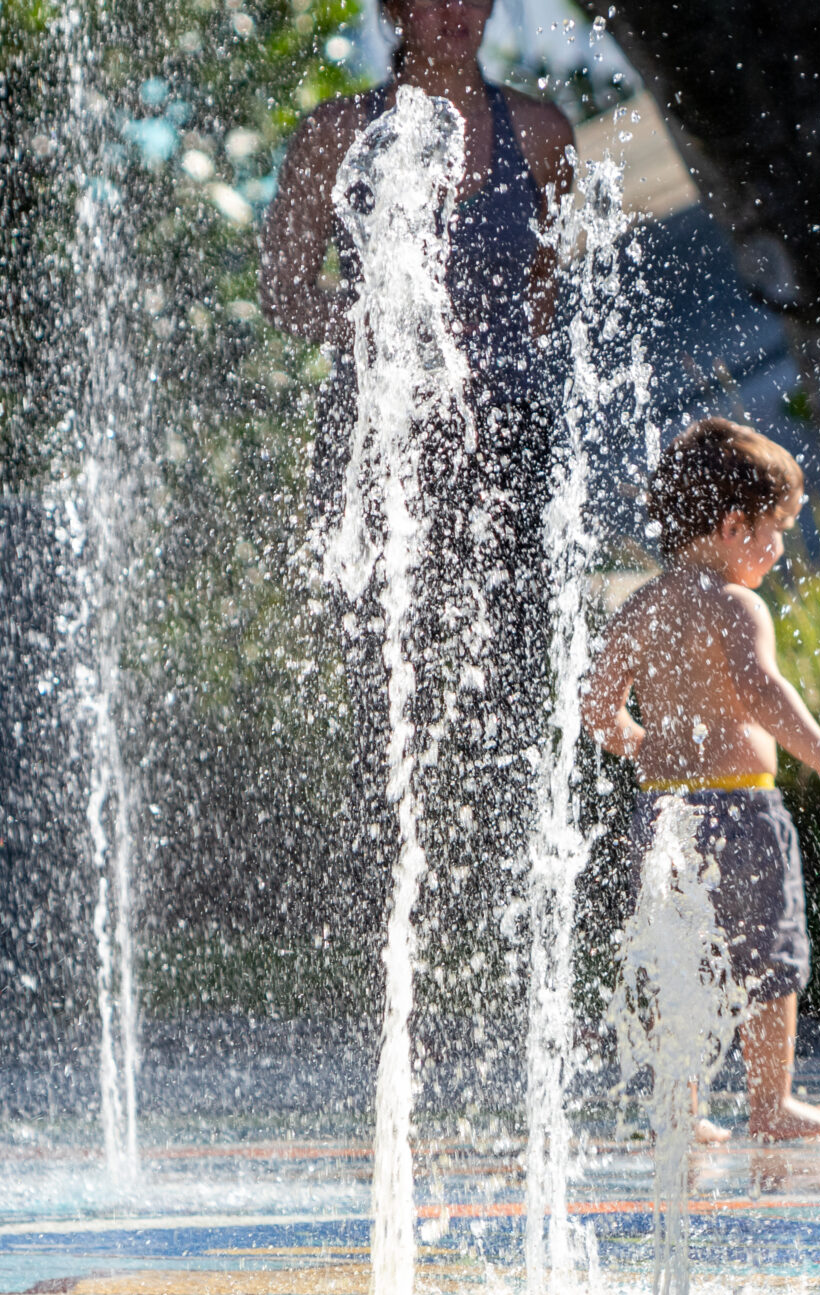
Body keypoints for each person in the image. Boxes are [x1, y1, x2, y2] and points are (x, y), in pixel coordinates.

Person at [260, 0, 579, 1038]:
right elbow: (282, 289)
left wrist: (484, 365)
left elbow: (554, 274)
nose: (451, 13)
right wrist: (384, 341)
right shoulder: (334, 134)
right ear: (391, 9)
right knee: (383, 696)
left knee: (520, 687)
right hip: (379, 449)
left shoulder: (537, 133)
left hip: (506, 446)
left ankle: (506, 942)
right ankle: (389, 958)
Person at [584, 419, 820, 1144]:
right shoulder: (736, 603)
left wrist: (639, 743)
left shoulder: (642, 604)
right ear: (732, 526)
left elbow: (597, 706)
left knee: (676, 957)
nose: (781, 548)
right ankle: (770, 1101)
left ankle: (682, 1110)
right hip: (742, 804)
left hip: (663, 814)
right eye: (776, 530)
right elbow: (762, 690)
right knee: (770, 958)